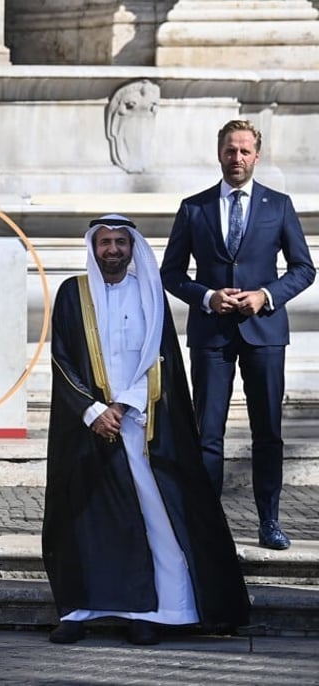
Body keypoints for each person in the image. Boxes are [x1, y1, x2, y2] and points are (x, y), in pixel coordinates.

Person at [42, 215, 250, 646]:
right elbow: (61, 357)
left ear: (132, 247)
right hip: (87, 426)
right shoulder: (72, 293)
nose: (113, 250)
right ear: (93, 248)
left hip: (142, 423)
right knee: (84, 521)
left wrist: (123, 405)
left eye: (120, 242)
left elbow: (161, 359)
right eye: (105, 242)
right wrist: (92, 410)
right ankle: (79, 611)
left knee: (158, 519)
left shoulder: (148, 293)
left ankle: (154, 613)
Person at [160, 120, 315, 551]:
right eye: (231, 150)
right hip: (211, 335)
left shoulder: (278, 205)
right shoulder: (194, 208)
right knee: (208, 434)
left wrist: (266, 295)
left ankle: (269, 521)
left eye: (245, 151)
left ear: (257, 156)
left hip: (265, 333)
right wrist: (207, 297)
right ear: (219, 153)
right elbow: (171, 273)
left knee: (268, 432)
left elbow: (304, 268)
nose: (237, 158)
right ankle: (207, 525)